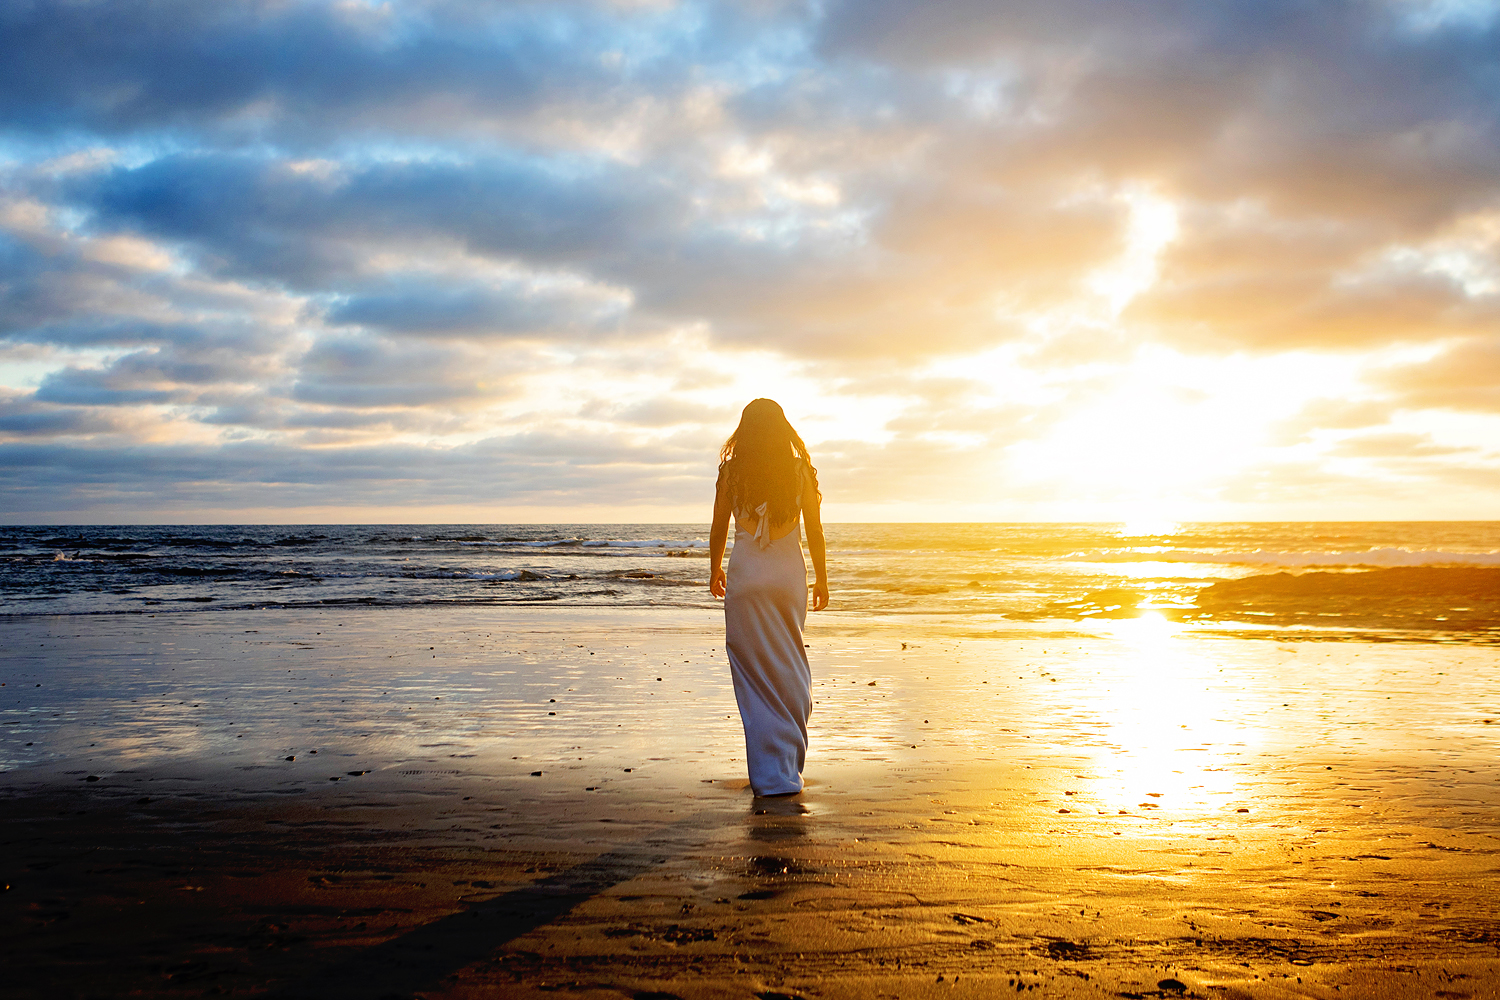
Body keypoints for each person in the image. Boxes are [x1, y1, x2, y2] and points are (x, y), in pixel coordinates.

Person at [708, 399, 828, 796]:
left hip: (746, 576)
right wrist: (822, 579)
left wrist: (714, 570)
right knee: (790, 663)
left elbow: (718, 528)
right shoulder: (797, 473)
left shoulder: (732, 473)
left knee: (753, 674)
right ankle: (788, 766)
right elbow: (814, 530)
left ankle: (766, 775)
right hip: (786, 576)